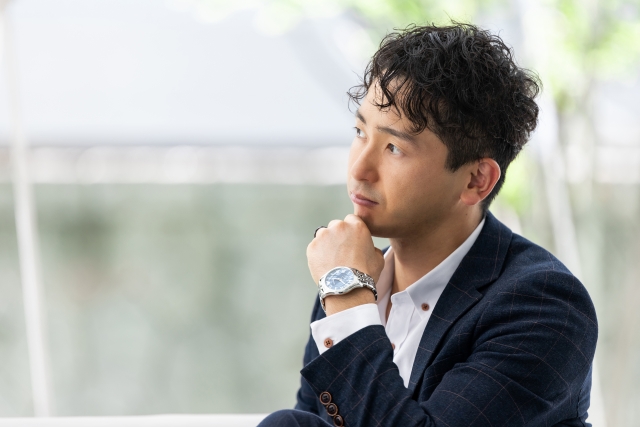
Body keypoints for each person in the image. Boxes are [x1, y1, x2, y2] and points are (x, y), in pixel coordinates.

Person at [258, 22, 597, 427]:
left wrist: (346, 293)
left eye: (394, 147)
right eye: (360, 132)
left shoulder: (545, 308)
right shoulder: (355, 278)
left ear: (476, 180)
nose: (359, 169)